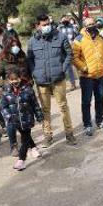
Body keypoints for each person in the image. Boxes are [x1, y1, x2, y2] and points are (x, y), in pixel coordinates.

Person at [27, 14, 77, 148]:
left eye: (48, 24)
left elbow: (69, 54)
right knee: (45, 110)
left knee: (63, 107)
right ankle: (48, 136)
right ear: (37, 26)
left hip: (58, 79)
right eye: (44, 25)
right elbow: (30, 59)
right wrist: (35, 73)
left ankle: (69, 133)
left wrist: (63, 69)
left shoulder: (60, 36)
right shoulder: (32, 41)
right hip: (42, 81)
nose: (47, 27)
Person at [72, 17, 103, 137]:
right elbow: (74, 57)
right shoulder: (79, 39)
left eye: (93, 23)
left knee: (100, 98)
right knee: (86, 101)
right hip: (87, 76)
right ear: (84, 26)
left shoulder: (100, 37)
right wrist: (83, 68)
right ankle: (87, 124)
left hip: (100, 74)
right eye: (89, 24)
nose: (91, 26)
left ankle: (100, 120)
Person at [0, 72, 44, 171]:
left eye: (16, 79)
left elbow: (35, 104)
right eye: (12, 80)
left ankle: (21, 160)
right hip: (15, 120)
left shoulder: (28, 89)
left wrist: (39, 115)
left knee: (25, 138)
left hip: (27, 118)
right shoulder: (5, 92)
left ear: (20, 78)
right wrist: (8, 116)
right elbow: (3, 106)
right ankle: (33, 147)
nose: (14, 82)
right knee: (25, 135)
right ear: (8, 80)